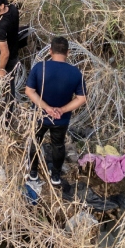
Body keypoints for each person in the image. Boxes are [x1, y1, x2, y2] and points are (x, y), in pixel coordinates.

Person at [24, 36, 87, 187]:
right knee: (58, 145)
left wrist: (46, 108)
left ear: (50, 51)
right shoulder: (75, 73)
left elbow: (29, 91)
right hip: (61, 119)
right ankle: (56, 177)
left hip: (39, 116)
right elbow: (82, 98)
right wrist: (62, 109)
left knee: (35, 141)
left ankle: (33, 174)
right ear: (68, 52)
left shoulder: (40, 67)